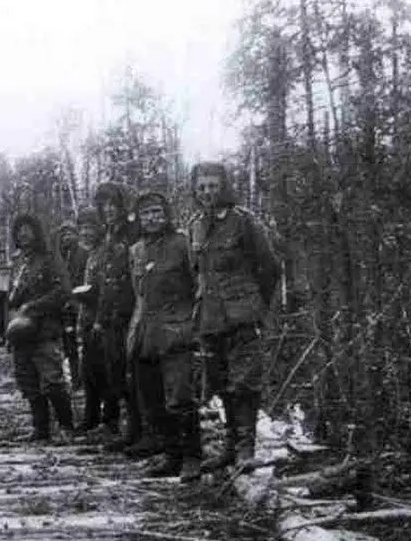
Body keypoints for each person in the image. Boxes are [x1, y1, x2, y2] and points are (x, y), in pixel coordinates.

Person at [189, 162, 281, 472]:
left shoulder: (244, 221)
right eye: (202, 187)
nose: (207, 192)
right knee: (221, 382)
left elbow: (269, 267)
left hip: (242, 317)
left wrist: (254, 304)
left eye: (213, 186)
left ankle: (245, 449)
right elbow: (197, 273)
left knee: (245, 383)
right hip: (210, 318)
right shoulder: (195, 225)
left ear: (224, 187)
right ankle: (230, 447)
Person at [127, 192, 203, 481]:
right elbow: (139, 296)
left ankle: (192, 457)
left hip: (177, 331)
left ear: (166, 214)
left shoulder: (182, 244)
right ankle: (171, 454)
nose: (152, 218)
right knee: (153, 397)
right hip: (147, 333)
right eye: (146, 213)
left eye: (157, 212)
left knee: (180, 396)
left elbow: (198, 286)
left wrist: (191, 325)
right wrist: (133, 335)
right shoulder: (136, 250)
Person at [5, 213, 74, 442]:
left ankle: (66, 427)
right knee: (28, 382)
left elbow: (63, 290)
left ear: (37, 232)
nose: (24, 234)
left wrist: (34, 306)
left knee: (52, 380)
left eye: (28, 229)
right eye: (19, 230)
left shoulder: (49, 259)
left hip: (44, 328)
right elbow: (10, 299)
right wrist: (8, 330)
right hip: (20, 332)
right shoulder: (17, 263)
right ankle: (40, 428)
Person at [92, 184, 147, 454]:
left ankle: (142, 431)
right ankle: (132, 429)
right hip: (111, 316)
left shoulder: (134, 233)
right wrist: (100, 316)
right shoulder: (108, 236)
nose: (109, 210)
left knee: (134, 373)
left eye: (113, 204)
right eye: (104, 205)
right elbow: (105, 280)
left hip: (132, 313)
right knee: (117, 373)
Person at [73, 211, 114, 433]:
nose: (85, 233)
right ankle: (91, 416)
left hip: (102, 320)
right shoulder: (90, 254)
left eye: (90, 227)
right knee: (88, 371)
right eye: (82, 228)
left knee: (103, 371)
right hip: (89, 319)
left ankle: (109, 419)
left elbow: (107, 289)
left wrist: (99, 316)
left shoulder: (107, 252)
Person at [55, 220, 87, 389]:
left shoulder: (84, 254)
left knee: (84, 342)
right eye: (64, 234)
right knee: (69, 345)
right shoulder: (57, 257)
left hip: (80, 303)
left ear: (76, 235)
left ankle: (85, 377)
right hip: (63, 306)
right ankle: (75, 379)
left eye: (70, 233)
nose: (67, 237)